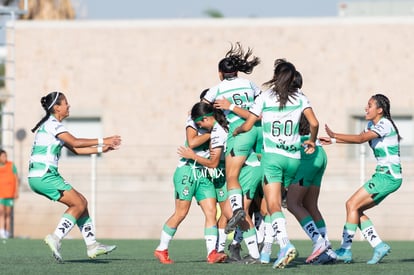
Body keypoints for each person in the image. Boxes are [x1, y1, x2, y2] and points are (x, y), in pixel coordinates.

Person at [233, 60, 319, 269]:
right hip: (293, 159)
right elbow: (314, 123)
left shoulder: (265, 96)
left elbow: (249, 123)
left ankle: (284, 244)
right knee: (276, 205)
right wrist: (311, 141)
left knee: (271, 206)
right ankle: (267, 251)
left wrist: (239, 131)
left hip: (272, 158)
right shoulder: (300, 97)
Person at [28, 91, 121, 262]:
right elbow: (76, 142)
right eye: (65, 103)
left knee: (81, 201)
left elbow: (76, 150)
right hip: (45, 175)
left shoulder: (51, 125)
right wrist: (104, 139)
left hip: (40, 176)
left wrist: (102, 149)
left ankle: (92, 245)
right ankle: (55, 238)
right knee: (78, 203)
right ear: (57, 108)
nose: (68, 106)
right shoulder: (53, 124)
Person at [319, 93, 402, 264]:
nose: (366, 107)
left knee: (351, 205)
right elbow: (359, 139)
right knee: (355, 210)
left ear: (380, 110)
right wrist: (333, 141)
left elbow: (360, 139)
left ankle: (345, 250)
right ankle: (379, 246)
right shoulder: (372, 124)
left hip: (387, 176)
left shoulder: (384, 124)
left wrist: (335, 135)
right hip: (384, 176)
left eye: (370, 105)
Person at [154, 101, 229, 264]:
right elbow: (192, 143)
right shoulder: (193, 121)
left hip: (204, 173)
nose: (198, 124)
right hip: (187, 171)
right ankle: (161, 249)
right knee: (181, 213)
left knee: (211, 211)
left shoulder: (217, 125)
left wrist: (216, 130)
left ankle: (212, 253)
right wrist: (213, 132)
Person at [203, 42, 261, 234]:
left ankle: (237, 210)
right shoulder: (250, 85)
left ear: (221, 73)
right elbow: (260, 112)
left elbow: (202, 108)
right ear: (237, 71)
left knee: (232, 177)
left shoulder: (216, 89)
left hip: (240, 132)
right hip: (260, 133)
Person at [0, 149, 19, 239]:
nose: (5, 158)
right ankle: (1, 231)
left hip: (10, 194)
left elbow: (16, 178)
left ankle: (7, 232)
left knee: (8, 214)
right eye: (3, 156)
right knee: (1, 212)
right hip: (1, 194)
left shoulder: (11, 165)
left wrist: (16, 191)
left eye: (6, 156)